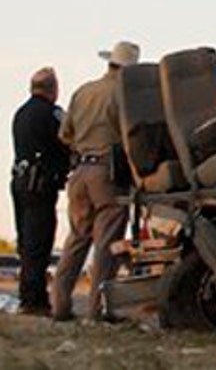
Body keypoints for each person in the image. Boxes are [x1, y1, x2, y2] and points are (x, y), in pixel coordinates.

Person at [51, 40, 139, 322]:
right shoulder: (123, 95)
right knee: (106, 243)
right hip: (107, 173)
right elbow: (132, 136)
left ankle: (60, 306)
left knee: (76, 239)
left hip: (80, 172)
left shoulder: (83, 91)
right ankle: (97, 310)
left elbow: (65, 134)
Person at [9, 67, 71, 316]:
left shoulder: (20, 113)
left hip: (20, 181)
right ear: (53, 89)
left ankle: (27, 294)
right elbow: (67, 140)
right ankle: (34, 299)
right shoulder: (52, 113)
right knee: (40, 239)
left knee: (26, 241)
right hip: (40, 184)